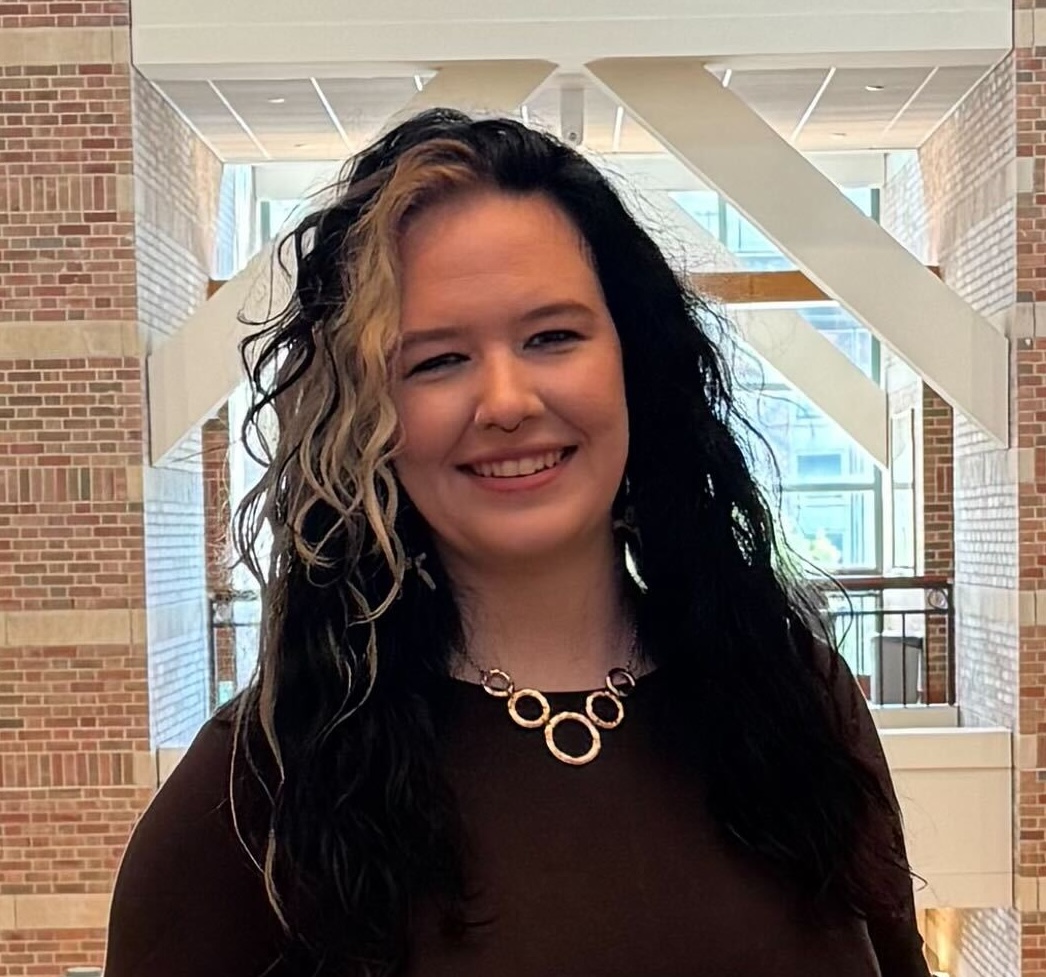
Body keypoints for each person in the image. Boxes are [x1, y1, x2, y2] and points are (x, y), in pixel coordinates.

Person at [103, 108, 932, 977]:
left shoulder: (795, 699)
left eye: (552, 337)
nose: (505, 401)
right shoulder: (262, 787)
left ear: (634, 360)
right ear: (371, 418)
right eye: (437, 359)